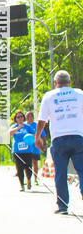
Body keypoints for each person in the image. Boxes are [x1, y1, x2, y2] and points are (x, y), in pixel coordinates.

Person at [35, 69, 83, 215]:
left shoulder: (49, 96)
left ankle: (62, 206)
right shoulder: (79, 94)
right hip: (78, 138)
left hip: (59, 139)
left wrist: (37, 137)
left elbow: (42, 120)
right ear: (69, 82)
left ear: (55, 82)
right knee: (82, 170)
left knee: (60, 173)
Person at [10, 110, 33, 192]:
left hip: (27, 150)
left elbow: (34, 134)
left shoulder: (28, 127)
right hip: (17, 151)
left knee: (28, 168)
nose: (20, 118)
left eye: (21, 116)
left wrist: (29, 137)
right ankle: (21, 185)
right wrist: (19, 127)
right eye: (18, 117)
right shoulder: (14, 126)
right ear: (15, 119)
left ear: (24, 117)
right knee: (19, 168)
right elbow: (10, 133)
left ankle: (29, 179)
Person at [25, 110, 44, 185]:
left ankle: (35, 179)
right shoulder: (23, 125)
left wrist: (44, 144)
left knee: (35, 164)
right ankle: (28, 179)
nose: (28, 117)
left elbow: (43, 135)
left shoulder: (36, 125)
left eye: (29, 116)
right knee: (26, 164)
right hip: (26, 148)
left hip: (35, 148)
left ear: (32, 117)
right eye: (27, 116)